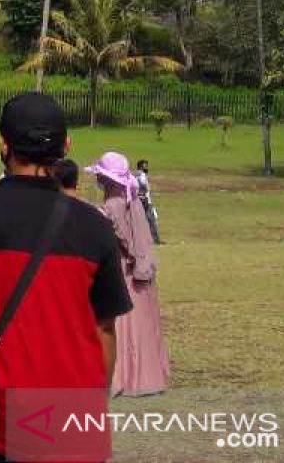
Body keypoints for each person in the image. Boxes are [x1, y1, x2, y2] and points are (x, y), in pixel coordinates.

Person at [0, 95, 132, 462]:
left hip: (3, 419)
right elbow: (104, 329)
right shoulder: (94, 226)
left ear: (3, 145)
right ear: (66, 146)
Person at [87, 151, 170, 398]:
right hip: (137, 267)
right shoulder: (130, 197)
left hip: (126, 268)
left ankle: (125, 377)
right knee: (143, 323)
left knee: (123, 323)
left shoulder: (114, 203)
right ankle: (146, 374)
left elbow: (124, 237)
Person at [135, 160, 162, 244]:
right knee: (152, 220)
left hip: (141, 200)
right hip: (146, 201)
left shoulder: (136, 175)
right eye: (145, 166)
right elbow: (145, 186)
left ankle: (146, 239)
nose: (146, 168)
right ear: (140, 167)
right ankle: (155, 240)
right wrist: (147, 187)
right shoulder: (141, 175)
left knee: (144, 220)